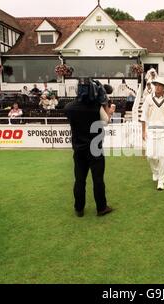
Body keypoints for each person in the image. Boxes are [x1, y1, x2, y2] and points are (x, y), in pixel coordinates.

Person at [64, 79, 114, 218]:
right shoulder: (96, 106)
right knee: (98, 179)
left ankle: (79, 208)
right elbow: (106, 122)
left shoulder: (69, 107)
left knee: (79, 179)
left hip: (79, 149)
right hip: (95, 149)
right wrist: (108, 110)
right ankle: (101, 208)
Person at [141, 76, 164, 191]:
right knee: (150, 155)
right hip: (152, 130)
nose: (157, 87)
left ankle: (161, 181)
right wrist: (143, 131)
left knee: (163, 157)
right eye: (155, 84)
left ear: (163, 87)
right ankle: (156, 172)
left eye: (159, 85)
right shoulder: (148, 98)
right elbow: (144, 116)